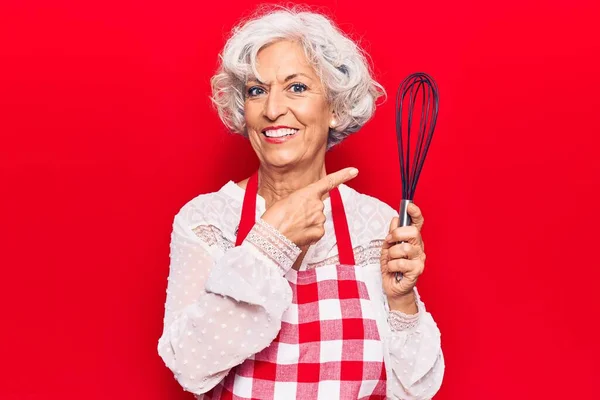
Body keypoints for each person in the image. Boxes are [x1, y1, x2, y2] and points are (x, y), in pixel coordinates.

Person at [157, 5, 444, 399]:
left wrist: (401, 301)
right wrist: (269, 244)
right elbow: (190, 366)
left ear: (335, 108)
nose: (273, 110)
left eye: (297, 87)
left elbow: (416, 390)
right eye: (257, 91)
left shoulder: (375, 224)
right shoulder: (208, 221)